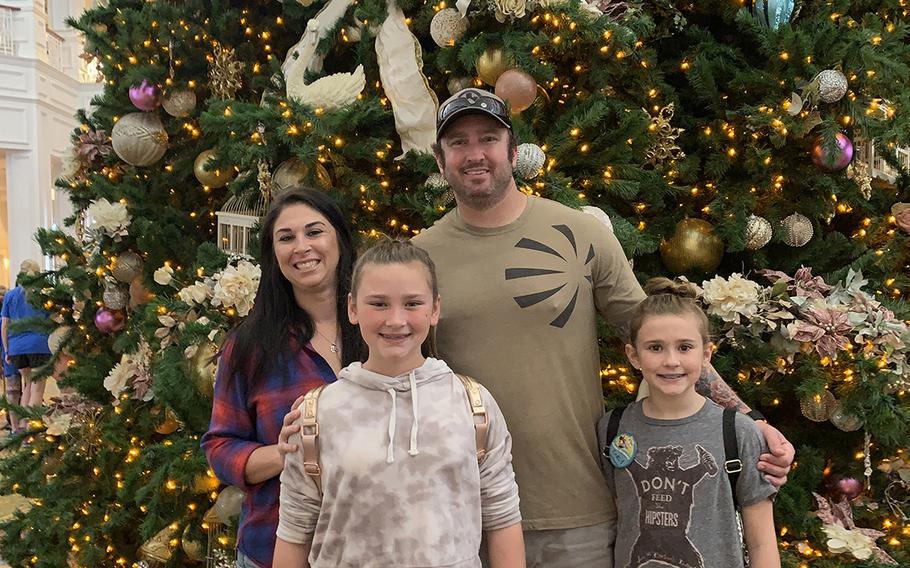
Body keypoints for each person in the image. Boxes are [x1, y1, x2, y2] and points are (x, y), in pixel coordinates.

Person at [280, 88, 794, 567]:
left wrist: (745, 419)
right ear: (440, 161)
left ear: (513, 148)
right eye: (458, 142)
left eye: (488, 138)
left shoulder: (580, 233)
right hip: (458, 517)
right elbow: (381, 357)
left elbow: (661, 341)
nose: (474, 152)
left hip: (578, 511)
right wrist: (312, 421)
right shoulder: (422, 259)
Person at [273, 238, 524, 568]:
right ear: (352, 308)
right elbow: (294, 530)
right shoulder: (316, 415)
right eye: (378, 304)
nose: (395, 320)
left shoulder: (472, 405)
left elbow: (502, 517)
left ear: (434, 309)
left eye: (412, 304)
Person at [201, 188, 365, 568]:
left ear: (338, 238)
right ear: (273, 255)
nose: (302, 247)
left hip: (372, 545)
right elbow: (220, 448)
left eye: (314, 232)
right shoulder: (249, 346)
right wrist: (285, 454)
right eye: (286, 238)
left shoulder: (381, 328)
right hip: (274, 548)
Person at [598, 278, 779, 568]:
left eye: (684, 347)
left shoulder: (736, 431)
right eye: (655, 348)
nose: (671, 361)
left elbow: (762, 543)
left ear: (706, 354)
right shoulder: (613, 428)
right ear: (634, 355)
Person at [1, 260, 50, 430]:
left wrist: (7, 350)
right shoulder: (43, 296)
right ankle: (30, 431)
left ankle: (21, 427)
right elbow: (52, 320)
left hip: (16, 348)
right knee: (37, 391)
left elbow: (5, 326)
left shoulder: (10, 295)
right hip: (39, 346)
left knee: (28, 385)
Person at [0, 286, 22, 433]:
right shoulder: (14, 313)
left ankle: (15, 427)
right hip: (15, 353)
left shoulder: (6, 316)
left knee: (13, 392)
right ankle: (20, 426)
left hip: (9, 355)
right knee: (23, 390)